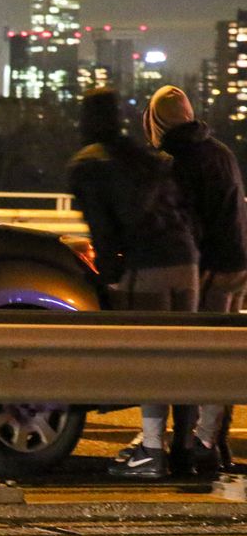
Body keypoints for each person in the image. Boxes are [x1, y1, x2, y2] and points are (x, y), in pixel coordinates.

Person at [67, 88, 199, 478]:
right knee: (188, 360)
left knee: (153, 361)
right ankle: (185, 450)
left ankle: (152, 452)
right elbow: (181, 208)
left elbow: (105, 234)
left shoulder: (88, 164)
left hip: (147, 267)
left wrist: (106, 280)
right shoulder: (146, 157)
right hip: (186, 261)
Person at [143, 84, 247, 473]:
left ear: (155, 120)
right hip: (237, 264)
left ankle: (192, 443)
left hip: (206, 267)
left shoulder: (176, 159)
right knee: (220, 357)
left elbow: (186, 221)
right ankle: (211, 441)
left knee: (190, 356)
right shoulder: (220, 152)